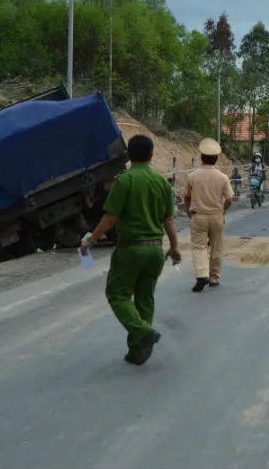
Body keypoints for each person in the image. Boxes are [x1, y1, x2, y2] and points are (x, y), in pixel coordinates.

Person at [80, 134, 180, 366]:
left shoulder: (124, 181)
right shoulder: (163, 183)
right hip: (155, 250)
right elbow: (169, 221)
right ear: (152, 155)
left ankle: (143, 332)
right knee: (145, 298)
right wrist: (174, 246)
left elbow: (111, 217)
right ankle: (137, 351)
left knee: (117, 294)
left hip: (131, 249)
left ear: (128, 155)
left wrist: (91, 240)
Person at [185, 138, 234, 292]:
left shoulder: (192, 176)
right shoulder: (222, 177)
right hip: (217, 216)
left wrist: (189, 212)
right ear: (216, 158)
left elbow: (186, 197)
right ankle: (214, 278)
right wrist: (223, 210)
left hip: (198, 216)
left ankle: (201, 275)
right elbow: (230, 199)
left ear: (201, 157)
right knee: (216, 247)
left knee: (199, 247)